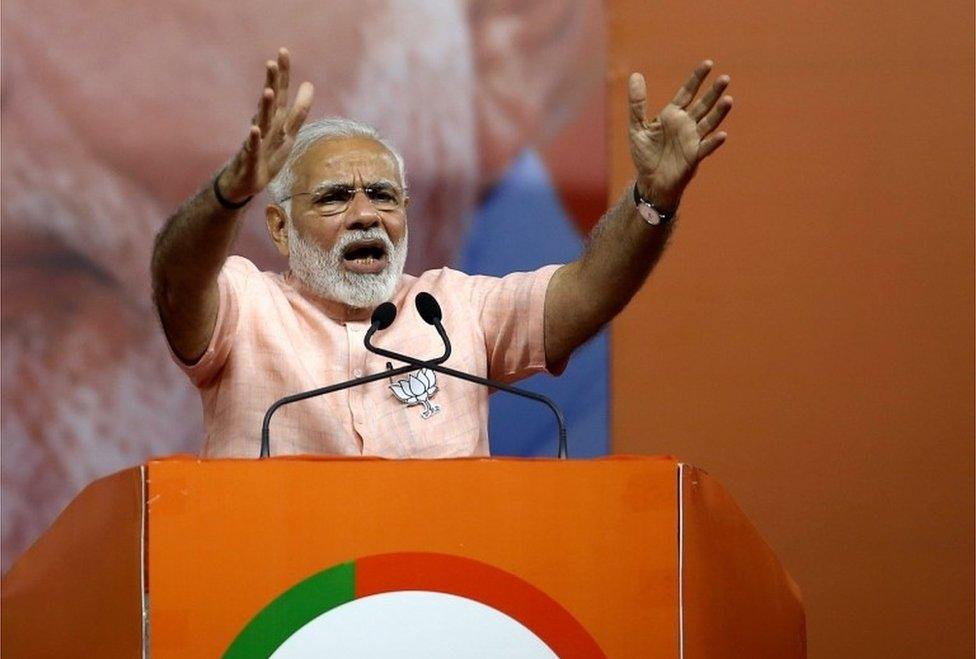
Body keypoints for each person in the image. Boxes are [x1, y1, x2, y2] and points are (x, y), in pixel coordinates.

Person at [151, 48, 732, 458]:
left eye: (382, 195)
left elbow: (588, 292)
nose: (365, 215)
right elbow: (178, 284)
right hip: (275, 618)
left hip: (437, 608)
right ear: (279, 228)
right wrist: (229, 194)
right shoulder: (246, 306)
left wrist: (651, 200)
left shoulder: (452, 309)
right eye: (334, 198)